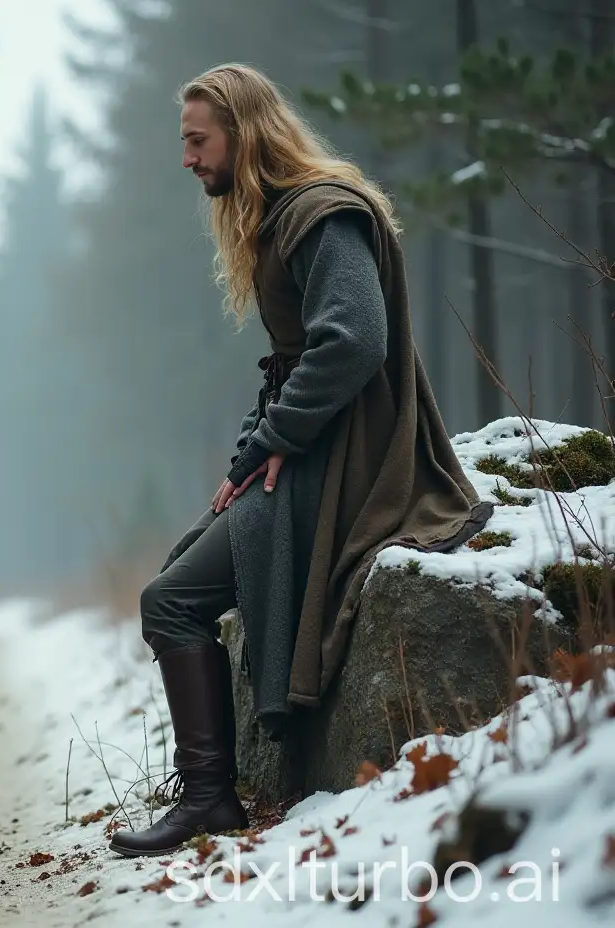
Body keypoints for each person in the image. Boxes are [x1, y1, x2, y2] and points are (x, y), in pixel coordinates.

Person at [108, 64, 491, 858]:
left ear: (243, 134)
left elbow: (352, 342)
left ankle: (211, 800)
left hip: (351, 459)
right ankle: (210, 794)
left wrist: (275, 441)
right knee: (179, 577)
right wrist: (259, 447)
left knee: (170, 601)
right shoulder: (284, 218)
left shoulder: (321, 216)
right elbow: (297, 358)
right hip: (310, 448)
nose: (186, 158)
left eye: (196, 140)